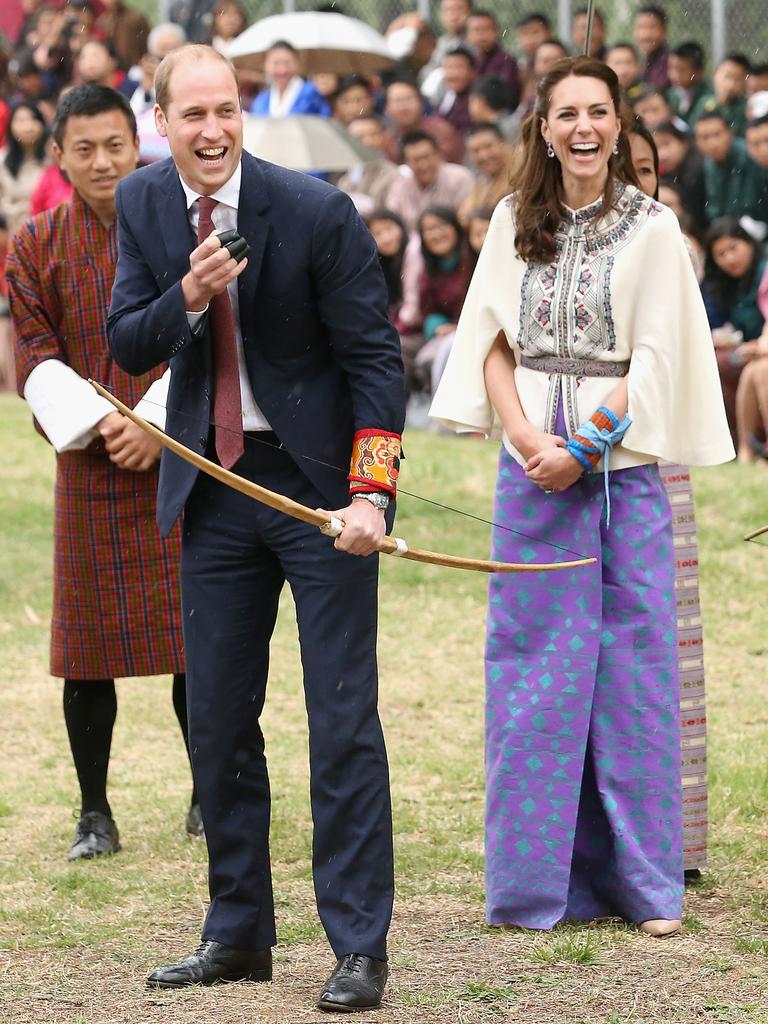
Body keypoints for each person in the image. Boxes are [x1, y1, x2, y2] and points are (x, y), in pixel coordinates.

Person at [107, 44, 404, 1012]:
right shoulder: (146, 205)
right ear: (161, 121)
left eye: (227, 110)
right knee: (218, 716)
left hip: (320, 495)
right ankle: (236, 932)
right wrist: (186, 297)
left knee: (341, 717)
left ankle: (358, 945)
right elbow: (125, 340)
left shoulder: (317, 211)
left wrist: (373, 497)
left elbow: (376, 366)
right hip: (215, 487)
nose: (213, 130)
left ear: (245, 113)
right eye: (191, 114)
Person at [430, 56, 733, 935]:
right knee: (531, 670)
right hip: (530, 476)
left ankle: (642, 885)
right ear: (544, 129)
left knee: (632, 674)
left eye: (598, 112)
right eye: (567, 115)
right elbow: (486, 337)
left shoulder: (652, 230)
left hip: (622, 476)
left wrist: (584, 447)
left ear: (621, 122)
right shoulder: (508, 220)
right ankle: (534, 887)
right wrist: (526, 437)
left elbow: (660, 359)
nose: (584, 129)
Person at [5, 84, 198, 860]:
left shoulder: (180, 224)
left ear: (141, 140)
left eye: (114, 144)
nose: (102, 161)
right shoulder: (36, 242)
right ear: (58, 156)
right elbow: (32, 352)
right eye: (82, 148)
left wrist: (155, 423)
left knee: (199, 636)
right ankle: (95, 812)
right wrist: (103, 424)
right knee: (85, 648)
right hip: (87, 458)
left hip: (179, 454)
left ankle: (209, 795)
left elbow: (210, 333)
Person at [627, 117, 710, 877]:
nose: (635, 179)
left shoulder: (665, 242)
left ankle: (675, 842)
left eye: (646, 168)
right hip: (575, 463)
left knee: (665, 649)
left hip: (657, 463)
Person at [702, 216, 768, 447]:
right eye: (721, 254)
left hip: (761, 350)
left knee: (736, 366)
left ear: (748, 243)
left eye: (733, 248)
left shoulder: (764, 271)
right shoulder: (728, 285)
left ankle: (751, 442)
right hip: (749, 349)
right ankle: (736, 443)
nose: (729, 258)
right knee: (713, 366)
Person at [365, 207, 424, 397]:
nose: (385, 237)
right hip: (408, 329)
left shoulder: (413, 251)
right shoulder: (383, 263)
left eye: (389, 228)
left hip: (423, 328)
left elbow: (413, 308)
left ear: (401, 226)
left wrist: (392, 331)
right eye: (377, 233)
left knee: (391, 351)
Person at [415, 205, 471, 396]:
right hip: (444, 334)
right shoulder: (428, 270)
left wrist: (459, 327)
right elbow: (427, 311)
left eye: (442, 226)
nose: (437, 234)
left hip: (471, 332)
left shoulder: (472, 260)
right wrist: (438, 326)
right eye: (429, 230)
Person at [386, 130, 474, 231]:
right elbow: (392, 222)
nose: (424, 165)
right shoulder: (400, 185)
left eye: (427, 157)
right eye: (416, 160)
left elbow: (468, 219)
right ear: (406, 162)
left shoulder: (460, 178)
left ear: (438, 154)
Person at [693, 110, 768, 226]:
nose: (712, 143)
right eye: (705, 137)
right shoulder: (708, 162)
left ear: (730, 133)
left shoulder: (750, 154)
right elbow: (714, 206)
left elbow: (751, 204)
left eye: (717, 134)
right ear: (696, 142)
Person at [383, 78, 464, 165]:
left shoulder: (442, 130)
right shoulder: (389, 140)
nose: (404, 106)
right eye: (398, 101)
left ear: (420, 102)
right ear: (387, 108)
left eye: (408, 99)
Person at [0, 100, 49, 234]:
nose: (28, 126)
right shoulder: (2, 161)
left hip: (48, 235)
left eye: (34, 119)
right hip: (15, 235)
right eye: (20, 120)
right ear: (10, 125)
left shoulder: (52, 159)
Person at [250, 40, 330, 118]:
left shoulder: (311, 93)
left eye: (287, 63)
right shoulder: (261, 100)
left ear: (297, 63)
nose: (282, 70)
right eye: (276, 63)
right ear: (265, 65)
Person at [653, 120, 707, 232]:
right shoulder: (667, 174)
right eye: (656, 148)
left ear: (683, 142)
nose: (662, 154)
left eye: (666, 144)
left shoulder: (699, 168)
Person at [457, 122, 513, 226]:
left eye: (488, 147)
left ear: (504, 144)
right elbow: (463, 217)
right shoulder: (482, 182)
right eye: (476, 151)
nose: (483, 155)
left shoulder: (521, 172)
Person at [465, 10, 519, 109]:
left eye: (487, 29)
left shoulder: (506, 61)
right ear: (468, 35)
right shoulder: (468, 61)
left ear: (497, 31)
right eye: (477, 30)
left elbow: (506, 98)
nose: (482, 35)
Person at [95, 0, 150, 72]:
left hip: (135, 69)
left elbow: (146, 45)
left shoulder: (136, 18)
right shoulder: (102, 22)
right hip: (113, 72)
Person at [667, 42, 713, 127]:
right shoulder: (671, 95)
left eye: (681, 70)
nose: (674, 75)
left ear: (700, 71)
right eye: (671, 68)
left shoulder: (710, 96)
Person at [436, 45, 476, 137]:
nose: (452, 74)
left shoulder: (477, 98)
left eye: (458, 67)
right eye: (448, 67)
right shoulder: (447, 95)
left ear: (472, 72)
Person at [633, 4, 670, 90]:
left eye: (652, 27)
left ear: (664, 31)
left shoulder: (669, 61)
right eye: (641, 27)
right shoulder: (639, 60)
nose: (646, 34)